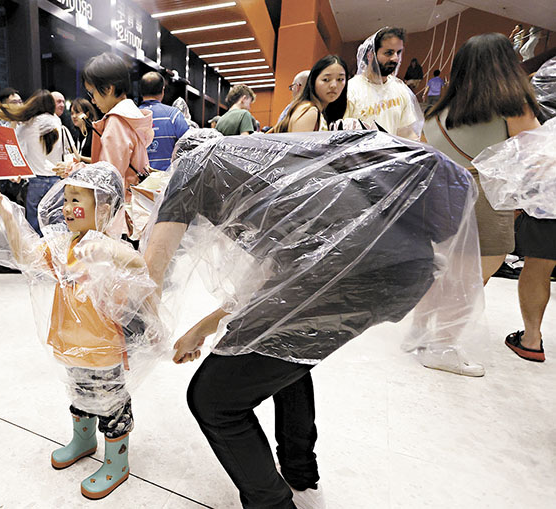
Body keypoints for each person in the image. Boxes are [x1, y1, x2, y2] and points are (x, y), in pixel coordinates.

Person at [142, 129, 482, 509]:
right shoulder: (269, 161)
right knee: (282, 351)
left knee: (212, 399)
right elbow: (271, 283)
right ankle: (301, 477)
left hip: (346, 269)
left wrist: (147, 331)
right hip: (401, 267)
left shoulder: (192, 168)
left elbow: (151, 269)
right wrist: (201, 329)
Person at [0, 162, 167, 499]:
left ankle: (117, 462)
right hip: (69, 344)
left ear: (103, 208)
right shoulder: (63, 245)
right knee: (79, 397)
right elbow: (26, 257)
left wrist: (108, 251)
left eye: (76, 200)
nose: (66, 208)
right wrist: (8, 215)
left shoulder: (113, 247)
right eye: (65, 200)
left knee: (111, 406)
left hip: (103, 349)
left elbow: (139, 267)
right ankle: (83, 439)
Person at [422, 33, 542, 369]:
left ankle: (429, 336)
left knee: (447, 274)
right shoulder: (512, 107)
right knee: (471, 280)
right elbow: (536, 154)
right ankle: (442, 347)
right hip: (483, 201)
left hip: (438, 199)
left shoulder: (436, 114)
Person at [75, 52, 154, 236]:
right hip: (137, 211)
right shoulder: (132, 116)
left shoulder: (116, 122)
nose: (92, 100)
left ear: (109, 88)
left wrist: (74, 169)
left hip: (120, 219)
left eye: (92, 93)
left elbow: (108, 180)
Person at [0, 89, 76, 233]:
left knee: (34, 227)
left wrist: (14, 123)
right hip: (57, 181)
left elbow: (14, 145)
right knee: (57, 225)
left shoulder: (28, 125)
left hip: (35, 182)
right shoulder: (57, 121)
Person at [345, 27, 422, 140]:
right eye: (389, 53)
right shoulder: (350, 90)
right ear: (370, 55)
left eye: (398, 53)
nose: (395, 58)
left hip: (393, 151)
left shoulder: (400, 89)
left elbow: (406, 133)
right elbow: (339, 137)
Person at [271, 56, 348, 134]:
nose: (334, 85)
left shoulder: (318, 111)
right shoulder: (309, 111)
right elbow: (299, 142)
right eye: (326, 79)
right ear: (313, 81)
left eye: (340, 79)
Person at [138, 72, 189, 171]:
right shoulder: (173, 115)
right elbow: (188, 145)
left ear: (141, 91)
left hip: (137, 179)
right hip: (167, 178)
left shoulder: (130, 116)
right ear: (162, 90)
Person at [69, 97, 98, 163]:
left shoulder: (95, 132)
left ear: (87, 114)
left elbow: (99, 160)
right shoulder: (76, 135)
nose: (74, 116)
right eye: (72, 113)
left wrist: (80, 157)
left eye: (77, 112)